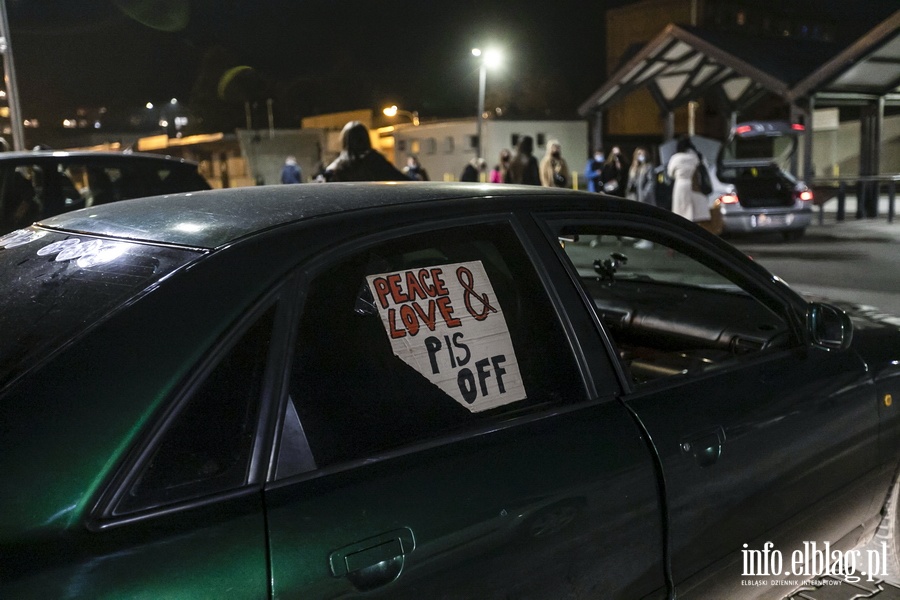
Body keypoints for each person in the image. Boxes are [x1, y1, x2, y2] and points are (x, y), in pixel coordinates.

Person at [324, 121, 410, 182]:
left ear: (345, 141)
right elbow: (403, 181)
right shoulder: (376, 161)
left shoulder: (334, 169)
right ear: (366, 139)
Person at [666, 135, 711, 223]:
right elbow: (705, 168)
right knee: (696, 213)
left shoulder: (675, 158)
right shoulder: (697, 157)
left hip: (680, 185)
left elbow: (670, 173)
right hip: (696, 185)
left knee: (681, 212)